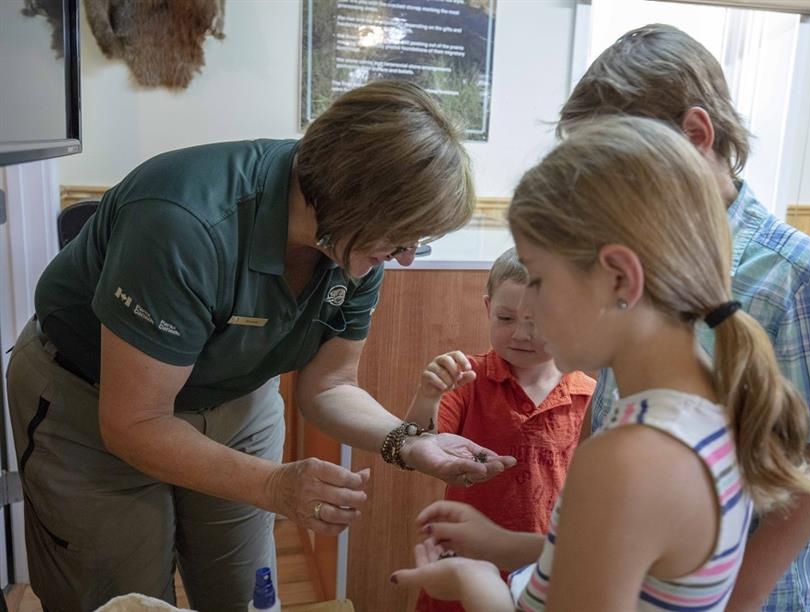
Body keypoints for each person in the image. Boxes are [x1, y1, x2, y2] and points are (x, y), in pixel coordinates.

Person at [5, 79, 515, 612]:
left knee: (243, 591)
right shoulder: (185, 222)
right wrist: (276, 487)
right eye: (400, 239)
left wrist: (407, 441)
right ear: (351, 198)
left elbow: (331, 384)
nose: (406, 257)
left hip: (235, 399)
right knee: (120, 596)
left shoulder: (355, 244)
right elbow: (134, 421)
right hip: (91, 402)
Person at [391, 115, 810, 611]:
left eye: (539, 279)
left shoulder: (626, 461)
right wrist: (504, 546)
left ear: (620, 279)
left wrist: (476, 586)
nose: (531, 314)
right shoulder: (720, 401)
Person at [559, 25, 810, 611]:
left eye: (622, 170)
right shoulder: (634, 257)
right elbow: (610, 399)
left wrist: (744, 593)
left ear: (696, 134)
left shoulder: (801, 275)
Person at [404, 247, 596, 612]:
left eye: (536, 321)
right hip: (463, 557)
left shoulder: (588, 395)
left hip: (544, 564)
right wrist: (428, 395)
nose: (521, 334)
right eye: (505, 318)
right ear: (487, 308)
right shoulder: (467, 380)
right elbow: (416, 445)